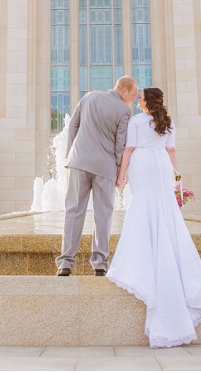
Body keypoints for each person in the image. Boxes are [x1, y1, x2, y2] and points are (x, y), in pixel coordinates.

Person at [107, 87, 201, 347]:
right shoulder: (168, 121)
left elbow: (129, 150)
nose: (138, 101)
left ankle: (144, 254)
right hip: (162, 167)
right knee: (164, 211)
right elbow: (171, 151)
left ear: (146, 101)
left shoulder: (137, 121)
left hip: (142, 163)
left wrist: (121, 176)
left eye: (140, 98)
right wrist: (177, 177)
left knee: (142, 207)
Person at [56, 76, 136, 276]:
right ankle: (100, 263)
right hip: (105, 168)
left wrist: (71, 155)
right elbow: (120, 145)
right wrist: (121, 174)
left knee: (73, 211)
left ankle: (65, 263)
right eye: (133, 95)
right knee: (103, 215)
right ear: (124, 91)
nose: (133, 100)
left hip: (79, 162)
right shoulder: (124, 111)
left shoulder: (89, 97)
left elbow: (73, 126)